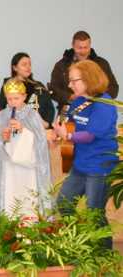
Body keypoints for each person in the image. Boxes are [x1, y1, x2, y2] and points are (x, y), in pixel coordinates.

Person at [53, 60, 118, 249]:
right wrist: (57, 134)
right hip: (81, 165)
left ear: (88, 79)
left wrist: (68, 135)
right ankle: (81, 242)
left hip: (100, 166)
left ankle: (103, 254)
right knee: (64, 203)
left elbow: (90, 135)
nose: (69, 85)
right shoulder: (80, 101)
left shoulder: (105, 104)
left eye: (74, 81)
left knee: (94, 211)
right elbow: (67, 121)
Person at [0, 79, 52, 215]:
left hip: (28, 167)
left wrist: (24, 130)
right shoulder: (1, 116)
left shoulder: (32, 115)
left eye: (16, 98)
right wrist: (4, 138)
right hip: (8, 166)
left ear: (24, 96)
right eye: (9, 99)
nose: (13, 102)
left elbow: (40, 141)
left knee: (27, 199)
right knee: (11, 197)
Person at [50, 30, 118, 111]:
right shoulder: (61, 65)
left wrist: (95, 98)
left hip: (95, 110)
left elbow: (114, 88)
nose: (83, 51)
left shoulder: (101, 64)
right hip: (68, 109)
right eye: (79, 48)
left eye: (86, 47)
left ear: (90, 45)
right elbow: (53, 89)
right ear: (72, 45)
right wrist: (70, 97)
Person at [0, 53, 55, 128]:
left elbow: (50, 109)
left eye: (29, 64)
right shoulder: (8, 86)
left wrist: (46, 124)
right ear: (15, 68)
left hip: (41, 128)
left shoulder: (39, 86)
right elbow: (4, 110)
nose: (28, 67)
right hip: (18, 129)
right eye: (24, 64)